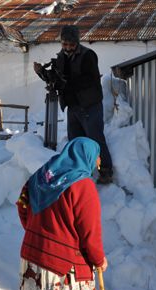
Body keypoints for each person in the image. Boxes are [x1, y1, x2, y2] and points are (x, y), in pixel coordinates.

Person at [16, 137, 108, 290]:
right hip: (58, 265)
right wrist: (98, 260)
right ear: (86, 156)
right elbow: (89, 233)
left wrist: (35, 232)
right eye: (97, 156)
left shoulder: (43, 176)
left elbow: (22, 204)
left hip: (32, 256)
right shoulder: (82, 186)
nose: (99, 162)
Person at [34, 25, 114, 184]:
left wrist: (65, 83)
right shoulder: (61, 57)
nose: (68, 48)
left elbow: (89, 80)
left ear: (77, 43)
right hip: (73, 107)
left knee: (95, 138)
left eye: (71, 45)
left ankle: (105, 170)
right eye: (65, 44)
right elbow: (55, 78)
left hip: (89, 105)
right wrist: (42, 72)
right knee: (75, 141)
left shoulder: (88, 56)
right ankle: (81, 173)